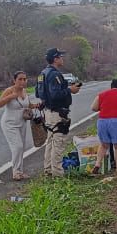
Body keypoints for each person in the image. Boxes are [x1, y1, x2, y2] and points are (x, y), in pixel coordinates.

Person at [35, 48, 81, 177]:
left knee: (50, 141)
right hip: (57, 113)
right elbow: (55, 94)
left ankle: (48, 169)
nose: (62, 59)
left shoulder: (42, 74)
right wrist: (70, 90)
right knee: (58, 142)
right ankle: (58, 172)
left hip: (49, 112)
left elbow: (38, 93)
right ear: (55, 59)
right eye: (61, 56)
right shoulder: (54, 74)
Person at [0, 71, 37, 180]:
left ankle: (20, 171)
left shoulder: (25, 92)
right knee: (17, 146)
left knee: (21, 147)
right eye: (20, 79)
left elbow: (28, 105)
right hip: (9, 123)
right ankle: (16, 172)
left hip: (22, 122)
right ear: (14, 80)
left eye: (24, 79)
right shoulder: (9, 90)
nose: (23, 81)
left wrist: (36, 105)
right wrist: (10, 97)